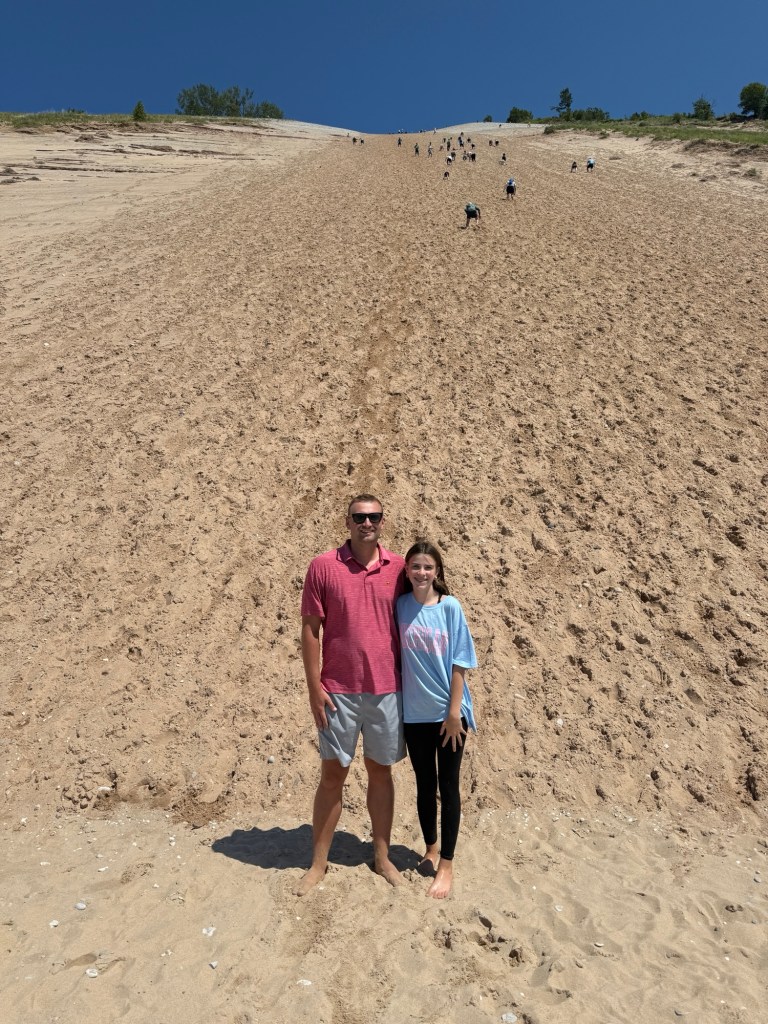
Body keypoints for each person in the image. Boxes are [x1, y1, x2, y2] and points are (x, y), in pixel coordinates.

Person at [298, 495, 406, 894]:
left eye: (373, 516)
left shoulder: (399, 569)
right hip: (337, 692)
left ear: (382, 521)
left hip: (387, 690)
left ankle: (382, 858)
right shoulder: (323, 567)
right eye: (359, 517)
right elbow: (311, 631)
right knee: (332, 776)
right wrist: (314, 689)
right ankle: (319, 864)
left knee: (381, 772)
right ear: (347, 522)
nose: (367, 523)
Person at [397, 541, 477, 899]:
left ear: (438, 571)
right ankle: (430, 847)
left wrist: (454, 711)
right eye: (415, 566)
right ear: (407, 571)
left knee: (449, 787)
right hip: (414, 714)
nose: (421, 573)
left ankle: (446, 863)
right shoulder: (399, 606)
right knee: (424, 786)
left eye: (428, 567)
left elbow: (461, 659)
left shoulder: (450, 607)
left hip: (448, 714)